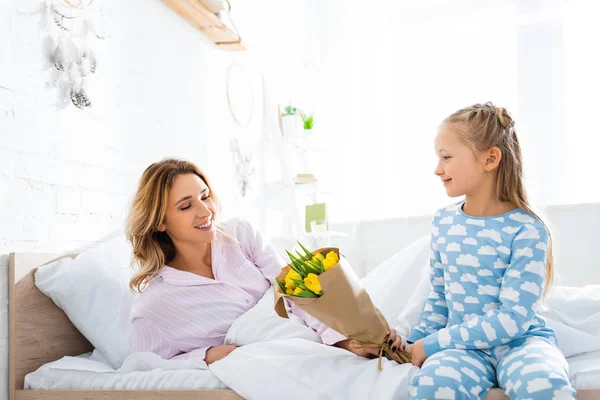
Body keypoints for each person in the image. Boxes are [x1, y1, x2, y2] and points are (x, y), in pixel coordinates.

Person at [389, 103, 575, 399]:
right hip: (462, 349)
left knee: (544, 384)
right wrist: (415, 341)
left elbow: (513, 318)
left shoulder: (527, 230)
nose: (438, 169)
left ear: (490, 159)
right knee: (433, 385)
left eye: (446, 157)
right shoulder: (444, 222)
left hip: (521, 343)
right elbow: (439, 298)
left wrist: (436, 342)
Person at [127, 158, 379, 366]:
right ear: (160, 222)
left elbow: (296, 290)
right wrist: (204, 356)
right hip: (276, 360)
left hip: (313, 334)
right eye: (186, 206)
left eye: (205, 197)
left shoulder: (240, 234)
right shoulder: (153, 306)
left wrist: (342, 340)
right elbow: (142, 368)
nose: (205, 212)